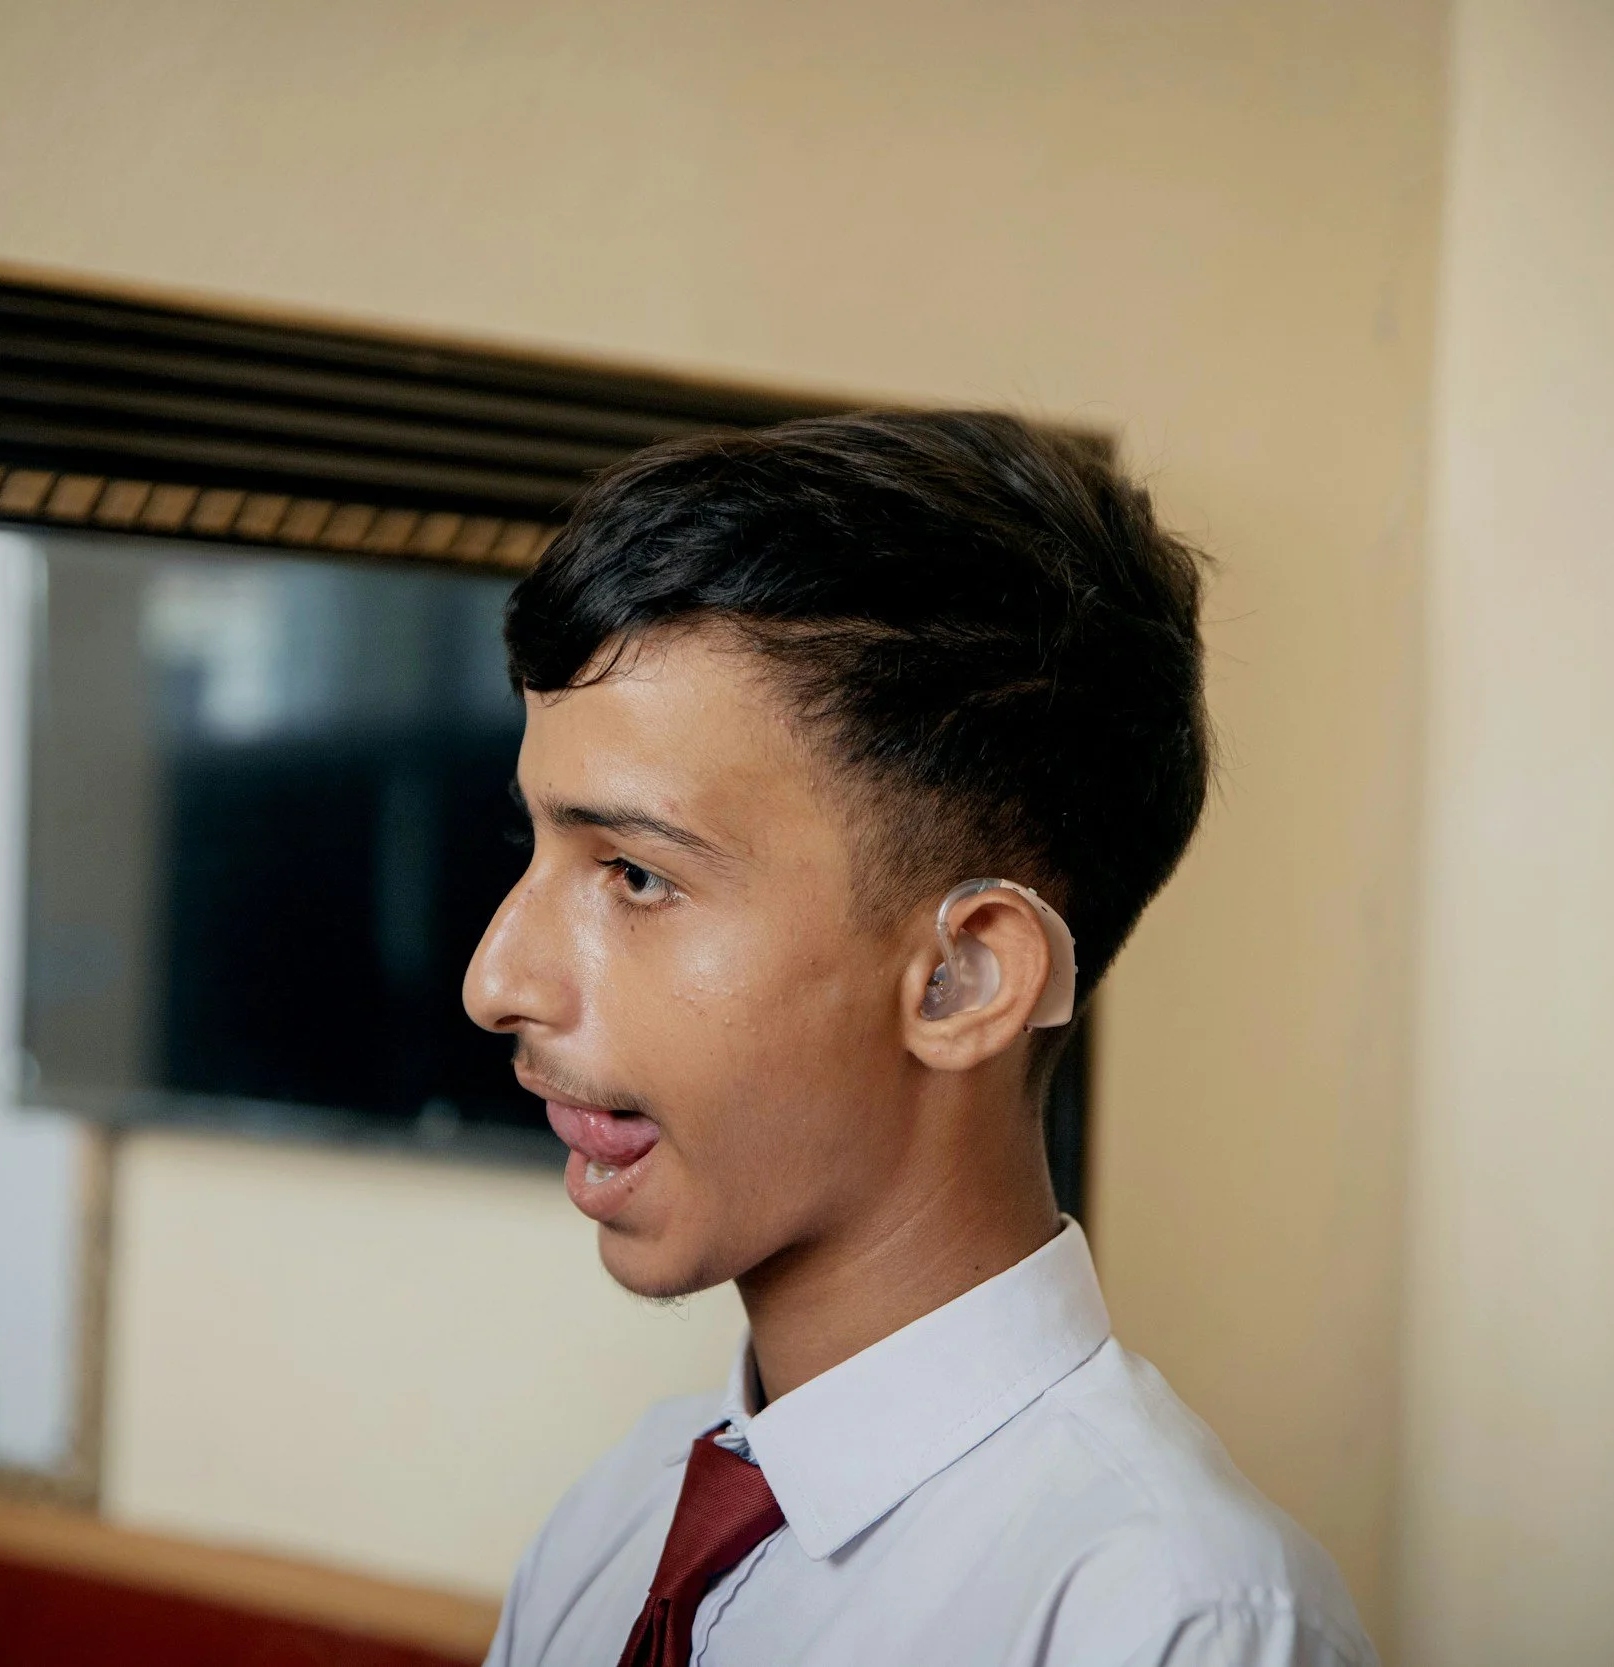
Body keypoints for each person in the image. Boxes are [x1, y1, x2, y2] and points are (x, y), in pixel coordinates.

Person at [465, 412, 1374, 1666]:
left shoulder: (1174, 1620)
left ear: (961, 979)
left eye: (633, 873)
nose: (496, 979)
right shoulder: (610, 1524)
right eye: (535, 845)